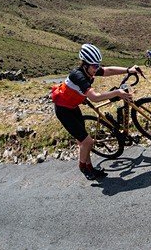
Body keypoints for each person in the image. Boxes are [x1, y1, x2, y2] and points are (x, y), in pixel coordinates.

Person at [51, 44, 136, 180]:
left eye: (97, 65)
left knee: (83, 142)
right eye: (94, 66)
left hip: (73, 107)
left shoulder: (90, 69)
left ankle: (89, 167)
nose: (97, 69)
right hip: (64, 111)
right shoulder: (78, 75)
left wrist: (128, 70)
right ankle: (82, 167)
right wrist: (116, 93)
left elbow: (107, 70)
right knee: (88, 142)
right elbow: (94, 97)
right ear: (85, 65)